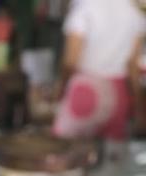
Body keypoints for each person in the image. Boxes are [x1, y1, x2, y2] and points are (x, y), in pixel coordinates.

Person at [53, 0, 146, 141]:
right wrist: (139, 106)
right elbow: (133, 65)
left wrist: (60, 88)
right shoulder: (134, 12)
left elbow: (71, 61)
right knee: (111, 156)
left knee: (68, 151)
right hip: (118, 95)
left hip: (86, 90)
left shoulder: (85, 7)